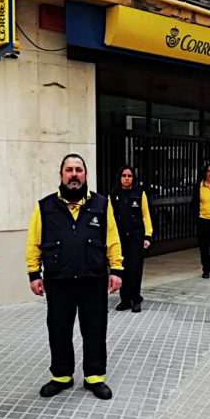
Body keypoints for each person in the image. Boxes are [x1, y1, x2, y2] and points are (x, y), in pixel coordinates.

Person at [25, 154, 123, 400]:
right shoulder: (45, 206)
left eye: (79, 169)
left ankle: (94, 376)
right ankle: (61, 375)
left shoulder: (101, 204)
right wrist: (34, 273)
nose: (74, 174)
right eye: (69, 170)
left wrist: (117, 270)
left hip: (94, 278)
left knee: (94, 329)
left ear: (85, 175)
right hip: (58, 279)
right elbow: (33, 242)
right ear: (61, 176)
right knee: (58, 329)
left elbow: (112, 239)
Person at [110, 165, 153, 313]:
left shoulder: (140, 194)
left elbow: (146, 215)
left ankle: (136, 299)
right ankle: (125, 299)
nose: (127, 178)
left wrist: (147, 235)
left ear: (133, 178)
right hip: (120, 237)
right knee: (123, 268)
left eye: (129, 176)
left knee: (135, 268)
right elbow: (109, 220)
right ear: (119, 178)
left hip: (136, 237)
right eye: (124, 176)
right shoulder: (113, 196)